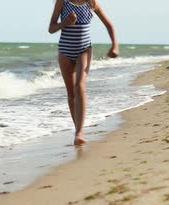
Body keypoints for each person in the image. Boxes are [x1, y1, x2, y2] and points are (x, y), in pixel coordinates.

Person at [48, 0, 119, 145]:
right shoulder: (62, 2)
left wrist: (115, 46)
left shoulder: (91, 3)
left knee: (79, 86)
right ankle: (77, 130)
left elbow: (109, 25)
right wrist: (66, 22)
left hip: (84, 50)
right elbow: (51, 28)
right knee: (71, 94)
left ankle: (79, 132)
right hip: (65, 51)